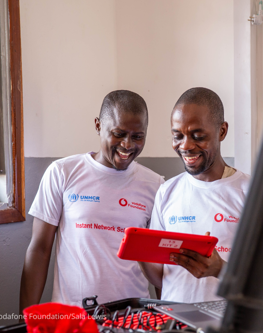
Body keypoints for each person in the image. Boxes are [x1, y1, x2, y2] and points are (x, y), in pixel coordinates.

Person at [20, 90, 164, 310]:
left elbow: (160, 264)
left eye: (137, 136)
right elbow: (39, 250)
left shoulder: (155, 185)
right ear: (98, 126)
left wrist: (168, 317)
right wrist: (25, 321)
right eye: (118, 133)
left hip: (133, 316)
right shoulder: (62, 172)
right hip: (74, 316)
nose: (127, 145)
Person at [140, 87, 250, 303]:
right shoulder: (167, 191)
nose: (186, 146)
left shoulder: (250, 192)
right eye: (177, 136)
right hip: (176, 323)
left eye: (198, 136)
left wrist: (220, 270)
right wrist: (141, 254)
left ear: (222, 131)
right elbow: (162, 278)